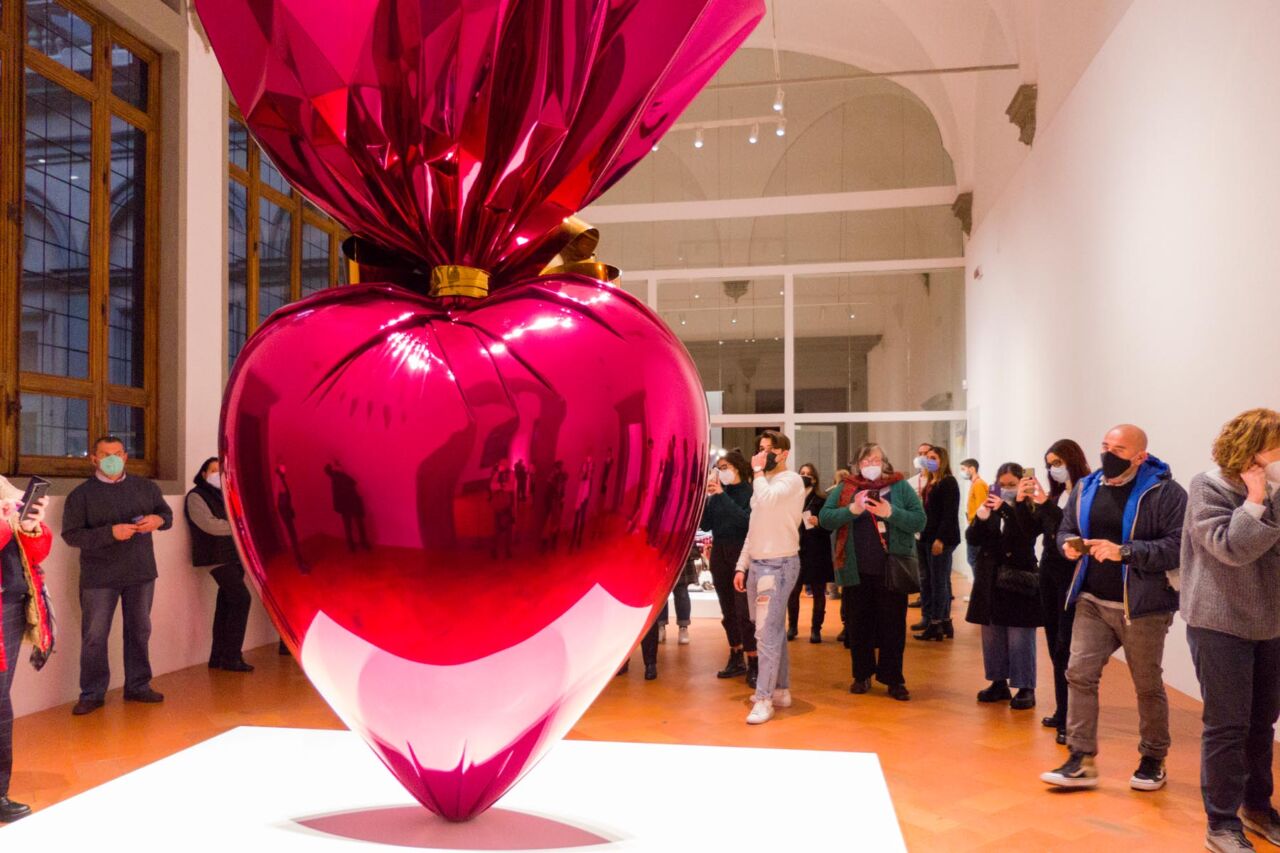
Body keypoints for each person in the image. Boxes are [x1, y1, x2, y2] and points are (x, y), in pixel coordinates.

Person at [1042, 424, 1186, 792]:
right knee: (1079, 674)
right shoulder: (1086, 487)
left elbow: (1177, 547)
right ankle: (1081, 758)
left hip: (1142, 606)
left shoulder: (1165, 493)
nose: (1108, 454)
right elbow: (1066, 528)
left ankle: (1153, 758)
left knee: (1146, 684)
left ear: (1140, 456)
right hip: (1092, 599)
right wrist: (1067, 545)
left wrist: (1125, 552)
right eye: (1105, 445)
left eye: (1119, 450)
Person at [1181, 409, 1280, 852]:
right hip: (1219, 623)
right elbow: (1232, 548)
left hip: (1270, 622)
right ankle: (1221, 822)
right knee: (1227, 725)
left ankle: (1256, 807)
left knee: (1262, 723)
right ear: (1253, 450)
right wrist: (1255, 499)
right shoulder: (1208, 486)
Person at [62, 436, 172, 715]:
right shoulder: (81, 495)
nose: (112, 458)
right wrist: (110, 533)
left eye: (117, 453)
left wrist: (158, 520)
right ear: (94, 459)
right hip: (99, 577)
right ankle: (92, 693)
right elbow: (71, 535)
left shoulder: (145, 487)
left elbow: (166, 514)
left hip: (141, 572)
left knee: (139, 631)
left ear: (125, 456)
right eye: (105, 454)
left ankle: (138, 686)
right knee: (94, 636)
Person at [820, 442, 925, 701]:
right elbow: (826, 518)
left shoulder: (899, 486)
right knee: (858, 626)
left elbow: (919, 520)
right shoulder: (847, 487)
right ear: (857, 465)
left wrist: (891, 512)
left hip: (892, 570)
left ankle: (893, 679)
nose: (870, 465)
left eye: (875, 460)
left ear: (884, 462)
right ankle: (861, 675)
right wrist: (852, 509)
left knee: (893, 627)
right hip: (855, 570)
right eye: (865, 461)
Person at [733, 430, 806, 724]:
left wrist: (757, 472)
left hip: (779, 565)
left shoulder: (791, 481)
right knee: (770, 631)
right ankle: (780, 689)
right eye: (760, 449)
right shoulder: (763, 483)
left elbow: (768, 500)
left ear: (784, 453)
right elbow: (754, 526)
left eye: (768, 450)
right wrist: (742, 565)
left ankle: (764, 699)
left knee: (766, 634)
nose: (762, 455)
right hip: (758, 564)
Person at [965, 463, 1042, 710]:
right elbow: (973, 539)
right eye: (1003, 484)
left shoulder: (1029, 507)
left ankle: (1025, 686)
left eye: (1012, 484)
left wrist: (1006, 509)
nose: (1007, 488)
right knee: (992, 634)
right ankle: (998, 682)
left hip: (1018, 578)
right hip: (990, 577)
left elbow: (1024, 535)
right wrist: (981, 517)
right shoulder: (992, 506)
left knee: (1020, 636)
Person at [1029, 440, 1091, 744]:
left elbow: (1069, 532)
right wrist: (1031, 504)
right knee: (1054, 643)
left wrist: (1045, 506)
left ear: (1071, 460)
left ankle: (1070, 717)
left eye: (1057, 463)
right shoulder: (1055, 496)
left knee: (1067, 647)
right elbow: (1042, 532)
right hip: (1049, 574)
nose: (1053, 469)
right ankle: (1061, 709)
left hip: (1072, 575)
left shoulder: (1086, 493)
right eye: (1049, 464)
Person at [0, 479, 52, 824]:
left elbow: (37, 552)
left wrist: (31, 526)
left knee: (1, 701)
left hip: (11, 604)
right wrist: (8, 521)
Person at [185, 458, 254, 673]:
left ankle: (218, 656)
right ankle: (232, 656)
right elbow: (208, 525)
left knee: (226, 603)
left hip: (234, 555)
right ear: (203, 473)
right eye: (213, 470)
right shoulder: (196, 496)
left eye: (221, 470)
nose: (218, 474)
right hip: (215, 556)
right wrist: (240, 526)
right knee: (242, 599)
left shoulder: (227, 494)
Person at [701, 449, 754, 681]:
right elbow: (705, 524)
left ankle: (753, 660)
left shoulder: (749, 492)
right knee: (727, 609)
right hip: (719, 552)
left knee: (744, 610)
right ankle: (736, 653)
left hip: (741, 551)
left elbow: (745, 521)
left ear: (738, 468)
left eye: (725, 468)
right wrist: (706, 498)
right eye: (719, 468)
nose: (721, 472)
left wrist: (722, 495)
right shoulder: (718, 495)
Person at [915, 445, 961, 641]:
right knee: (931, 580)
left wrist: (940, 539)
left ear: (942, 460)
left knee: (939, 582)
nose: (929, 460)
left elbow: (949, 514)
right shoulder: (931, 482)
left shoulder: (948, 482)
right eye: (927, 457)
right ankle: (943, 622)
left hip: (940, 539)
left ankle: (936, 623)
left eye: (933, 457)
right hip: (926, 536)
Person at [790, 463, 833, 644]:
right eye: (802, 473)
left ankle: (816, 629)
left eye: (808, 474)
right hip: (796, 549)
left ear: (814, 479)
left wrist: (820, 523)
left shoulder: (822, 500)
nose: (805, 476)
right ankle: (792, 627)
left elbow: (830, 526)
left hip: (817, 551)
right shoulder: (792, 499)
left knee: (818, 592)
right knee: (793, 591)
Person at [908, 442, 932, 610]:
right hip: (918, 531)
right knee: (922, 571)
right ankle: (925, 601)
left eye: (926, 453)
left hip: (933, 531)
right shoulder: (911, 482)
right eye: (920, 453)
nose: (922, 456)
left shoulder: (940, 481)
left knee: (937, 574)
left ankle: (937, 612)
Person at [658, 544, 696, 645]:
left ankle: (683, 627)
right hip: (661, 550)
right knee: (661, 593)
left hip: (680, 549)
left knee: (681, 592)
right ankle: (660, 626)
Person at [959, 458, 989, 572]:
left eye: (963, 469)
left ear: (972, 469)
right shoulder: (975, 484)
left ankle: (979, 582)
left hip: (977, 528)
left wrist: (976, 526)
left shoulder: (978, 484)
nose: (962, 472)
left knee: (974, 560)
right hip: (974, 525)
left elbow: (982, 507)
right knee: (973, 560)